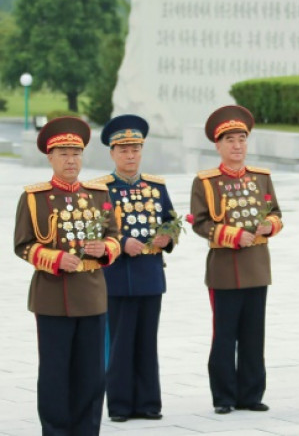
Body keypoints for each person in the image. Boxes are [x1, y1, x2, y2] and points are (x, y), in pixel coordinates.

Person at [13, 116, 121, 435]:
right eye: (63, 154)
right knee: (55, 374)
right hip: (52, 297)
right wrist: (56, 258)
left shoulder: (98, 195)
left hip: (91, 295)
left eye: (76, 154)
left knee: (92, 374)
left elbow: (114, 235)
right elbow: (23, 245)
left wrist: (105, 248)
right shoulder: (34, 199)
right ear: (50, 157)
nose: (71, 160)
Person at [190, 105, 283, 414]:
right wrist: (230, 235)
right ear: (218, 145)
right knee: (224, 335)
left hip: (257, 266)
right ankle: (224, 396)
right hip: (224, 269)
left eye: (242, 139)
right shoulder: (206, 182)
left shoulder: (261, 178)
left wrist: (270, 226)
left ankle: (251, 394)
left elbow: (276, 214)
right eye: (230, 140)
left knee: (254, 335)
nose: (237, 146)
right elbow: (200, 223)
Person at [94, 115, 176, 422]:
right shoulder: (101, 189)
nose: (130, 155)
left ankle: (148, 403)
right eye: (124, 150)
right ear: (112, 153)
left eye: (135, 149)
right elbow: (97, 228)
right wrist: (124, 240)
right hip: (116, 277)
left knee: (146, 342)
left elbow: (170, 218)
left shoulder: (155, 186)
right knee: (118, 342)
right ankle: (119, 405)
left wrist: (168, 237)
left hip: (150, 275)